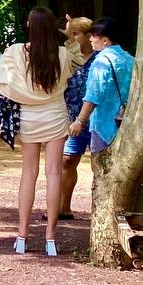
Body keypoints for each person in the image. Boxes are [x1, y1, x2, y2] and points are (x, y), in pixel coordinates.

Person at [0, 7, 73, 256]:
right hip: (55, 115)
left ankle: (22, 235)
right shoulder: (63, 54)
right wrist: (68, 36)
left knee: (28, 173)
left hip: (29, 117)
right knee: (54, 173)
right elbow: (77, 62)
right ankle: (50, 239)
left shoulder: (16, 52)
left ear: (30, 26)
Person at [68, 16, 135, 159]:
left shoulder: (101, 62)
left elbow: (93, 96)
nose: (90, 39)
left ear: (105, 40)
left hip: (104, 125)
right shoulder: (130, 59)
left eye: (93, 36)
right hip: (128, 123)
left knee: (101, 166)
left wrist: (79, 121)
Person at [59, 15, 94, 219]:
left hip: (97, 119)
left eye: (76, 33)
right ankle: (63, 208)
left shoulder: (101, 56)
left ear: (89, 35)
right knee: (67, 160)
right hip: (73, 118)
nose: (72, 37)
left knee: (99, 164)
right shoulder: (68, 56)